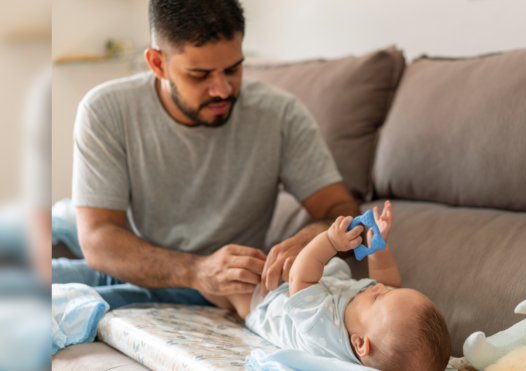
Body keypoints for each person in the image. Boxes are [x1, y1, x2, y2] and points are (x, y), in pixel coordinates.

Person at [52, 0, 360, 309]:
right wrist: (196, 271)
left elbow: (341, 208)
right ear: (158, 64)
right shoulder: (107, 110)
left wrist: (314, 238)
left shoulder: (282, 115)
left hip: (228, 292)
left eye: (233, 69)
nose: (223, 90)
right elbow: (98, 240)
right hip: (135, 271)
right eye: (200, 75)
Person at [219, 201, 452, 371]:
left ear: (360, 344)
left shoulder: (325, 328)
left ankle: (205, 291)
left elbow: (302, 278)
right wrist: (378, 246)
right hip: (312, 285)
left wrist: (330, 241)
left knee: (233, 286)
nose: (378, 288)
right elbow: (387, 280)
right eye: (391, 292)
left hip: (268, 302)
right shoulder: (370, 320)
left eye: (378, 297)